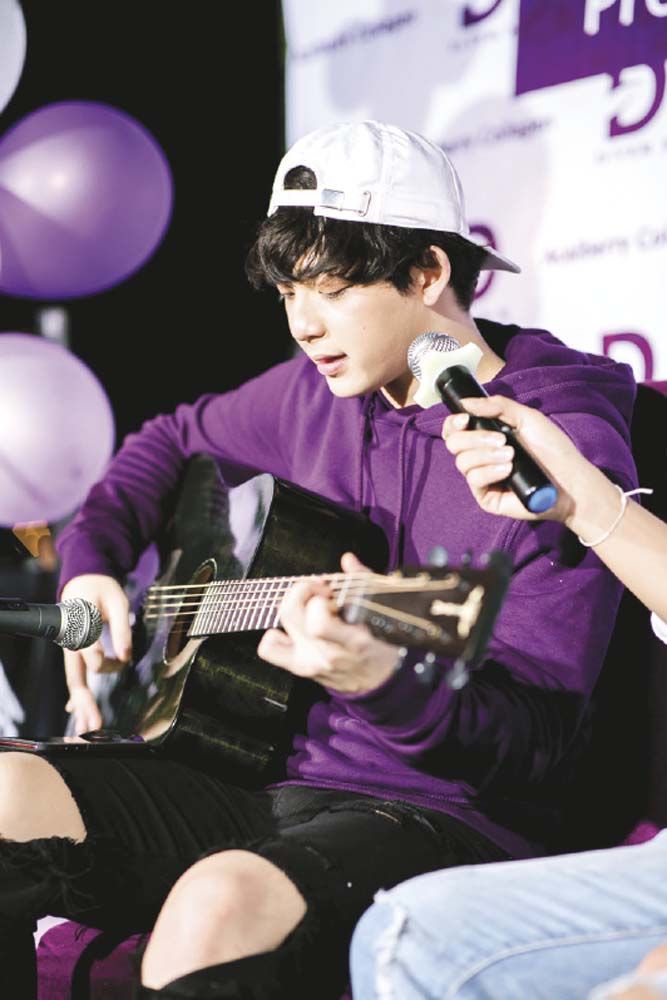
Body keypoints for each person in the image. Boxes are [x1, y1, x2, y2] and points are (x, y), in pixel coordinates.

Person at [0, 120, 637, 1000]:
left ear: (427, 272)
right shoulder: (319, 393)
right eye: (288, 292)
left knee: (218, 899)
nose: (303, 324)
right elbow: (169, 440)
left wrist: (384, 682)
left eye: (331, 291)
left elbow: (532, 746)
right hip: (261, 776)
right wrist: (91, 563)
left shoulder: (550, 443)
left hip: (443, 815)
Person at [350, 392, 667, 1000]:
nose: (307, 340)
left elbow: (528, 733)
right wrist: (577, 497)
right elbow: (176, 437)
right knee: (405, 932)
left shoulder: (577, 393)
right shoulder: (313, 407)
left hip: (475, 814)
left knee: (408, 943)